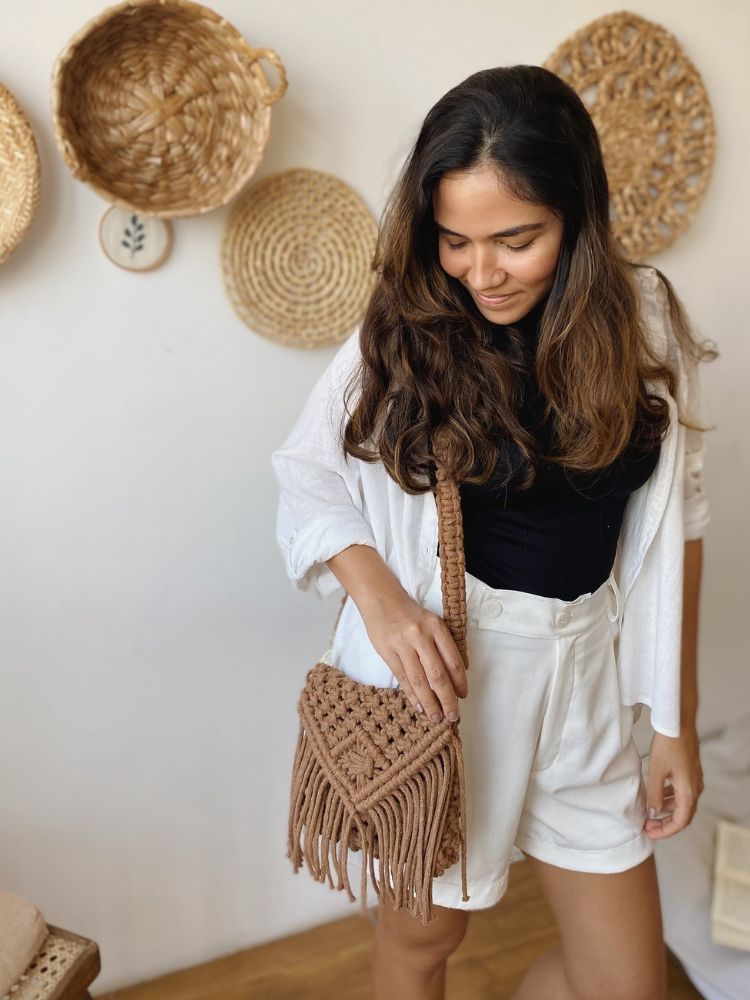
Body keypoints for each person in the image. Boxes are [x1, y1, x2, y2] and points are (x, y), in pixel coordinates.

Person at [271, 64, 717, 1000]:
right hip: (453, 681)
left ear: (578, 218)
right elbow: (307, 475)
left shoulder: (644, 325)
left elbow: (681, 527)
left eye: (516, 240)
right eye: (455, 241)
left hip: (588, 677)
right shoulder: (403, 330)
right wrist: (384, 602)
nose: (482, 272)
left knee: (627, 984)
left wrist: (674, 725)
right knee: (425, 944)